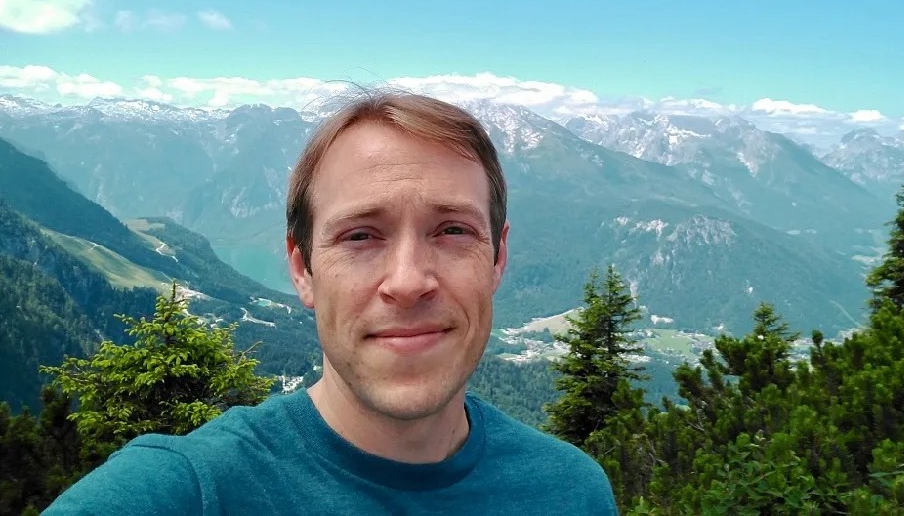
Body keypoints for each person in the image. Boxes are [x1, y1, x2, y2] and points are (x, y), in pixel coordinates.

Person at [45, 90, 617, 515]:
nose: (409, 281)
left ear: (497, 257)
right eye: (361, 236)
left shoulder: (572, 492)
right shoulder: (192, 490)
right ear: (303, 268)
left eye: (452, 230)